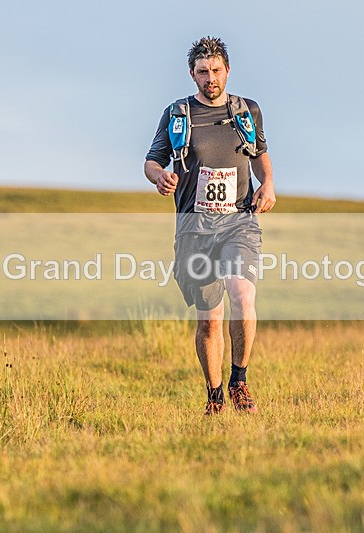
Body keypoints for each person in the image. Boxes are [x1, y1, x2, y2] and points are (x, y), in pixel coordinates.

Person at [144, 36, 276, 415]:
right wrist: (159, 177)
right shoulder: (178, 115)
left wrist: (267, 183)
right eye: (203, 72)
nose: (210, 78)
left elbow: (260, 153)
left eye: (216, 70)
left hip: (239, 222)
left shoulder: (246, 111)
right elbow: (152, 161)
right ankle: (214, 394)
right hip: (195, 229)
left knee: (242, 296)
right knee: (210, 320)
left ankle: (239, 381)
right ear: (192, 74)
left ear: (227, 70)